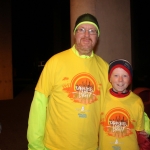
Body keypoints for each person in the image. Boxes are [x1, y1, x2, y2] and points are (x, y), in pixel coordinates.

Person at [27, 13, 111, 150]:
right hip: (54, 147)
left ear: (97, 36)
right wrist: (35, 145)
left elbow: (121, 101)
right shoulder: (55, 62)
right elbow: (39, 105)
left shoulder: (105, 69)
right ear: (74, 34)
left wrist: (143, 124)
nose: (86, 35)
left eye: (92, 31)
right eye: (81, 30)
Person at [99, 59, 150, 150]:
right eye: (116, 75)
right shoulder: (101, 97)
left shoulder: (137, 101)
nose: (120, 80)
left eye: (125, 76)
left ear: (130, 79)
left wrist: (146, 131)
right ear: (109, 78)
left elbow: (141, 132)